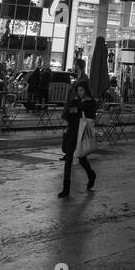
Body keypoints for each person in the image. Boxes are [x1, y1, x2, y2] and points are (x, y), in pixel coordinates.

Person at [58, 62, 97, 197]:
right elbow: (68, 115)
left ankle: (91, 174)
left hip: (82, 132)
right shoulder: (75, 101)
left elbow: (90, 115)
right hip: (72, 131)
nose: (79, 92)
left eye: (81, 90)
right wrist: (72, 109)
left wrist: (78, 109)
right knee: (68, 159)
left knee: (81, 158)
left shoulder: (90, 103)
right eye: (78, 90)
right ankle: (66, 188)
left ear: (85, 90)